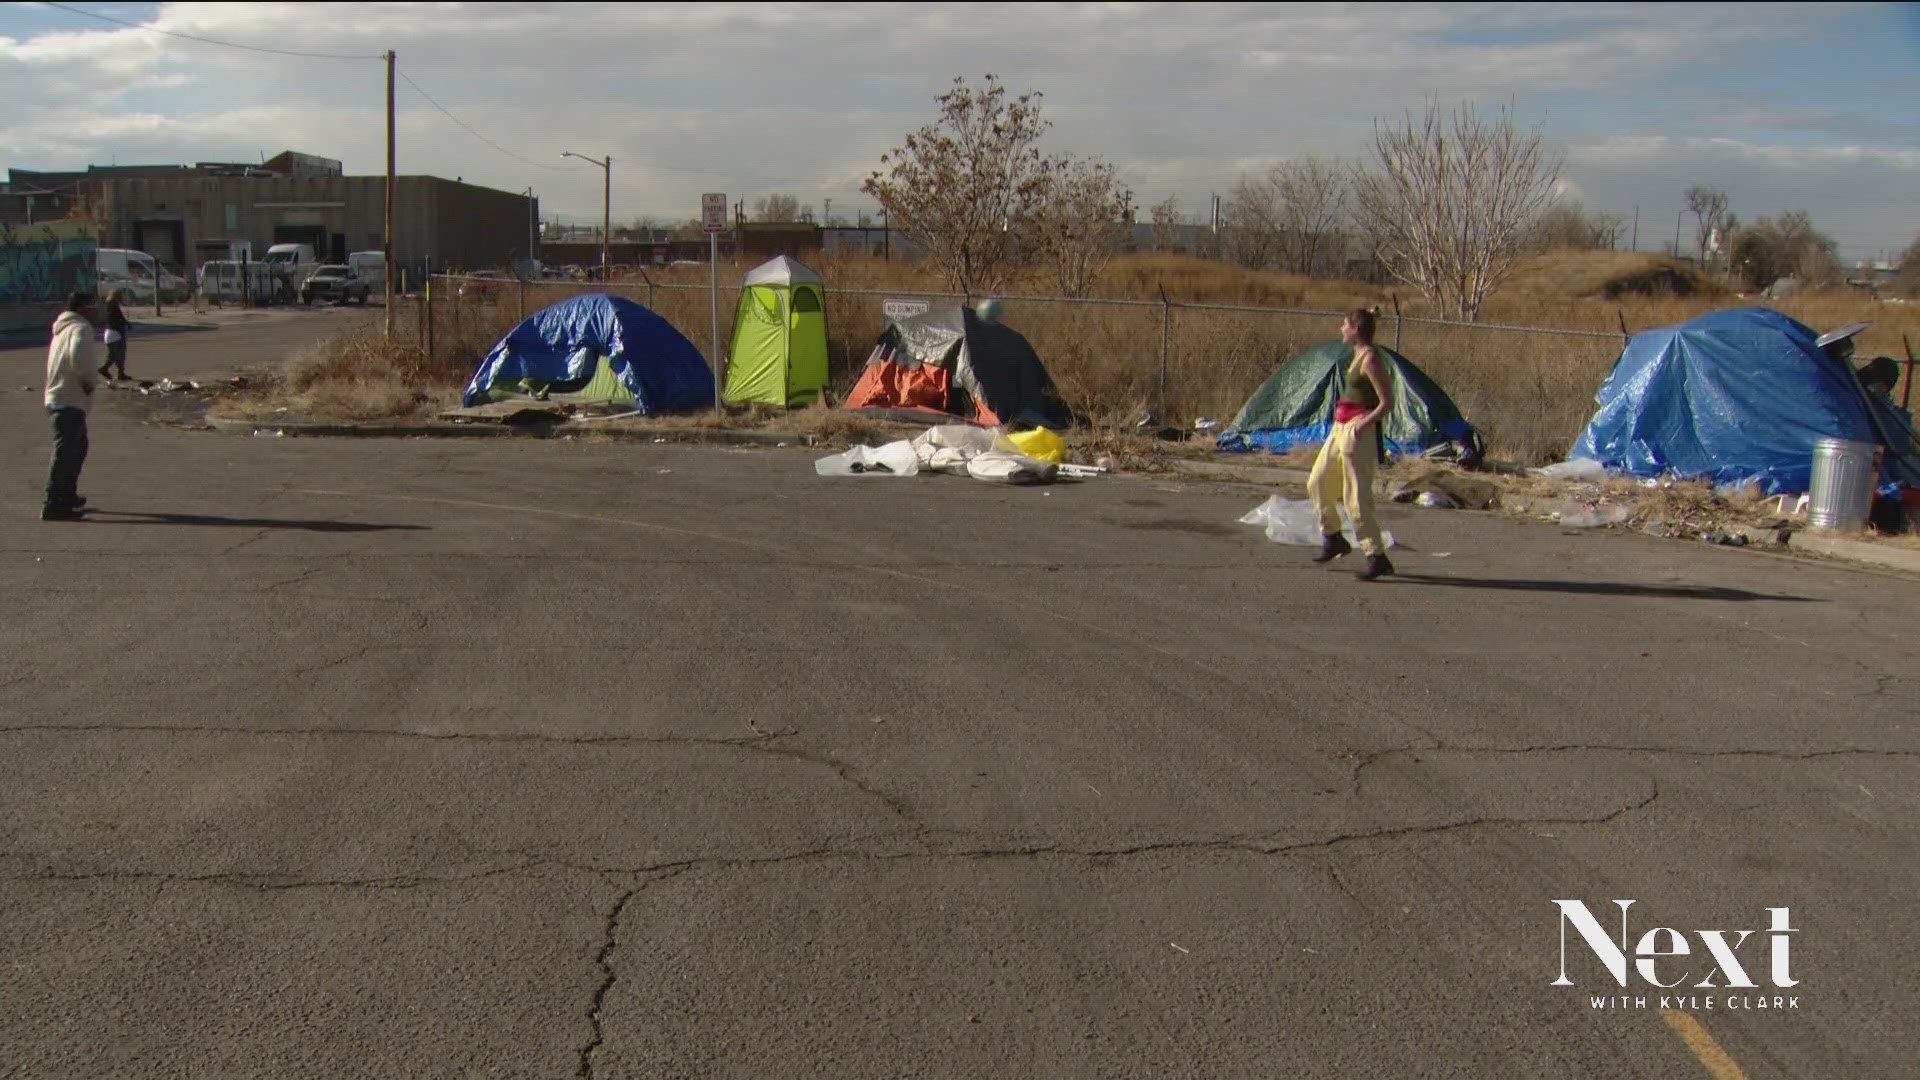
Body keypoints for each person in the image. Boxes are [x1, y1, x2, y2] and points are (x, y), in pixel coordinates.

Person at [1308, 308, 1395, 580]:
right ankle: (1333, 537)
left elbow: (1387, 402)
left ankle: (1375, 555)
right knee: (1318, 481)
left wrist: (1363, 423)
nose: (1341, 329)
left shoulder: (1370, 359)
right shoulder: (1356, 353)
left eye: (1345, 325)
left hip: (1357, 432)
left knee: (1355, 498)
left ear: (1356, 329)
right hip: (1339, 427)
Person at [43, 292, 101, 521]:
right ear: (85, 309)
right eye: (95, 307)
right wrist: (89, 382)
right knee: (66, 452)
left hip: (58, 397)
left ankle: (67, 494)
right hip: (69, 398)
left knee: (78, 446)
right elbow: (79, 357)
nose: (98, 311)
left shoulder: (62, 329)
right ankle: (54, 502)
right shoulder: (80, 329)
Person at [98, 289, 129, 381]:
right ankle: (104, 369)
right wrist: (123, 326)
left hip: (113, 333)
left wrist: (126, 323)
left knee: (119, 355)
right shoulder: (112, 307)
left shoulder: (112, 306)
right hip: (114, 333)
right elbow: (114, 320)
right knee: (115, 355)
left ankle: (121, 373)